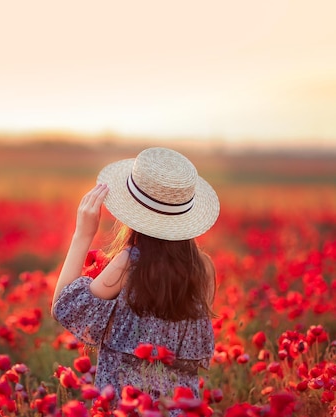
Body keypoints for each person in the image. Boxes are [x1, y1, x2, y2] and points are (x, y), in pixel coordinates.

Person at [51, 147, 219, 405]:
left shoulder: (130, 263)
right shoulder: (204, 269)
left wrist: (82, 234)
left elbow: (64, 306)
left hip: (129, 407)